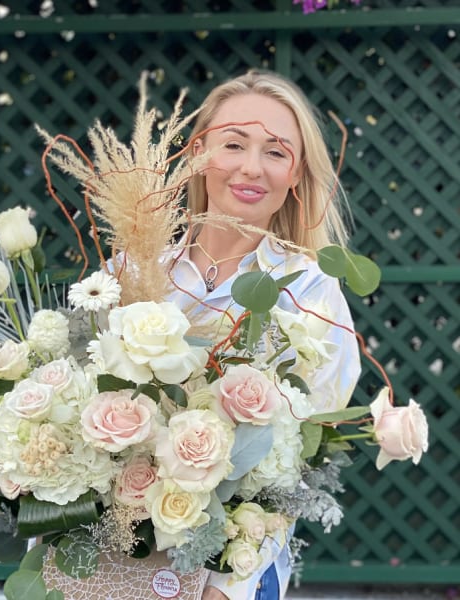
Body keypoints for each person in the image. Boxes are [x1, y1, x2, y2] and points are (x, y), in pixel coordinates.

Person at [163, 70, 362, 599]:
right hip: (119, 562)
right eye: (233, 144)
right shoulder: (131, 273)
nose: (252, 167)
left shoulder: (313, 292)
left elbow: (301, 463)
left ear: (295, 175)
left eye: (276, 152)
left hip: (233, 574)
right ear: (198, 154)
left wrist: (228, 584)